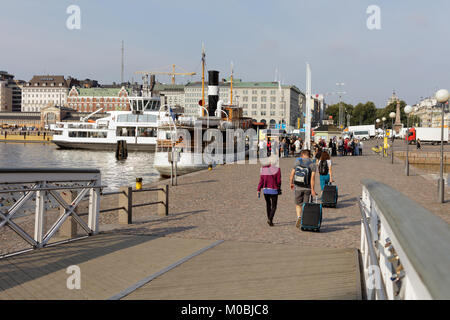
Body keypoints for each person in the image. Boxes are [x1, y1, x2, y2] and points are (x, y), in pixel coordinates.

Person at [290, 150, 317, 228]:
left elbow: (292, 174)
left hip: (298, 186)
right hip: (307, 188)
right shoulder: (313, 164)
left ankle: (299, 216)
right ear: (309, 155)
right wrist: (312, 189)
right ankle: (305, 219)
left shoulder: (297, 162)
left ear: (302, 155)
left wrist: (291, 183)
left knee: (298, 204)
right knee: (306, 204)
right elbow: (312, 178)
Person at [257, 157, 282, 227]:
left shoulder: (264, 168)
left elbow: (261, 180)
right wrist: (279, 187)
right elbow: (278, 180)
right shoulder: (277, 169)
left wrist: (258, 189)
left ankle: (269, 219)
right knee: (274, 206)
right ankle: (270, 219)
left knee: (268, 205)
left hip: (265, 190)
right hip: (273, 189)